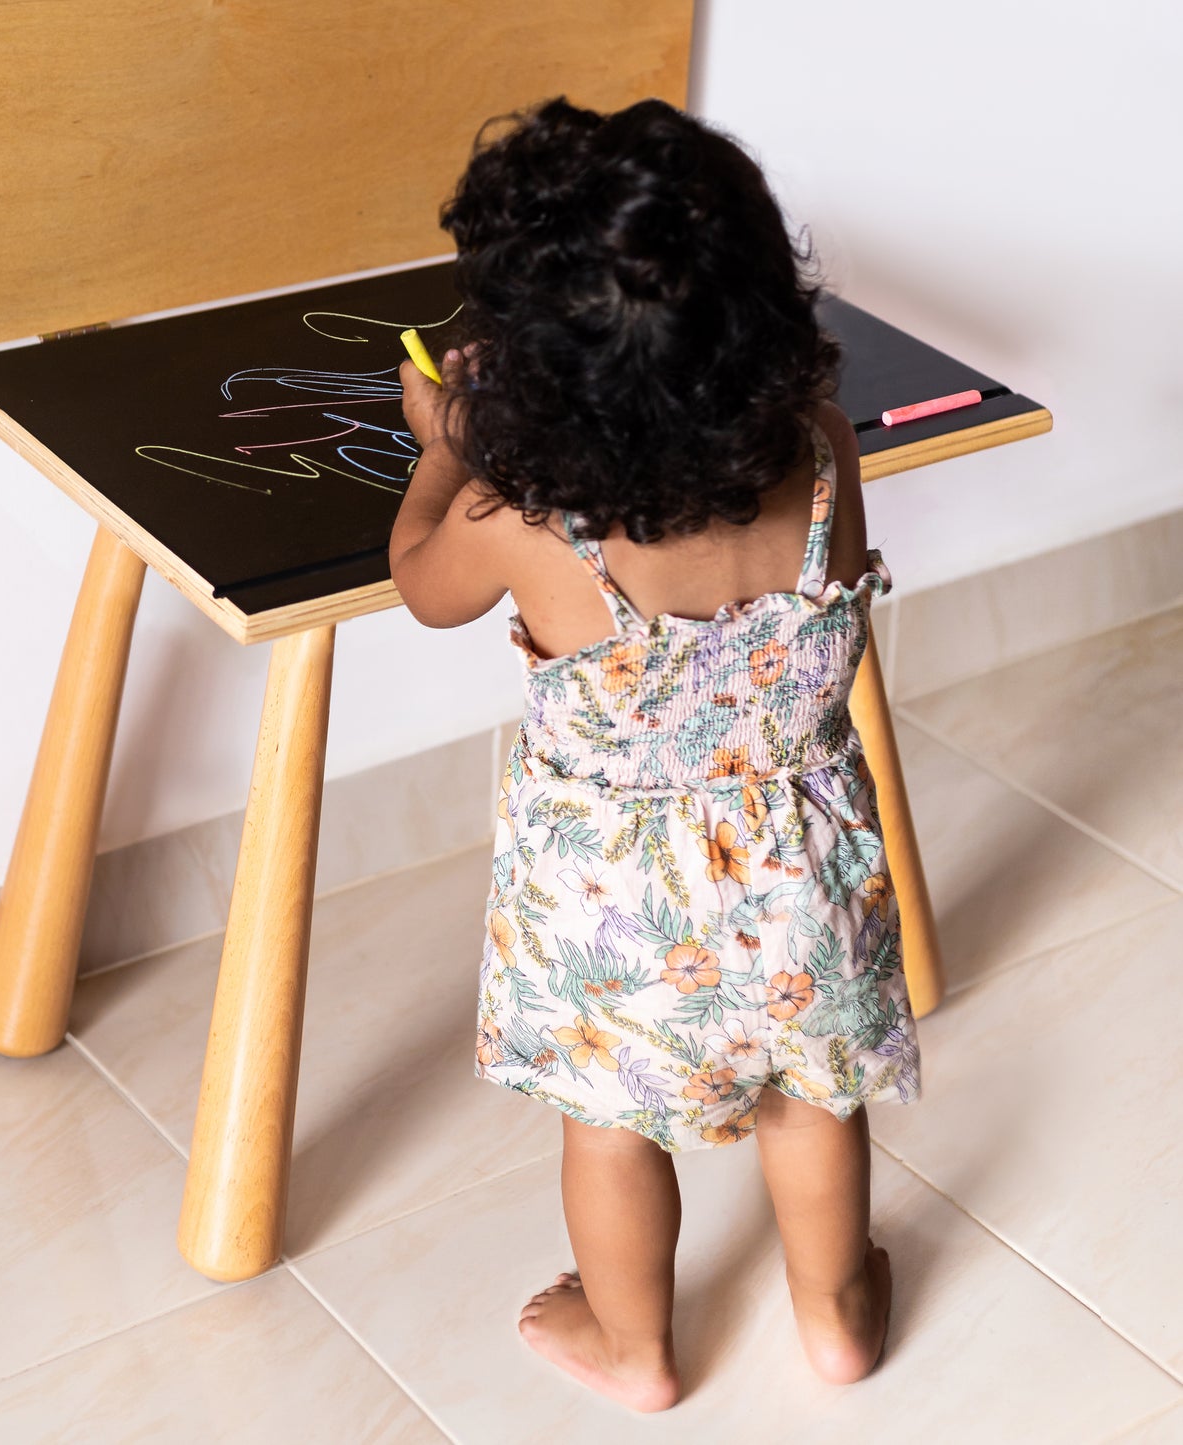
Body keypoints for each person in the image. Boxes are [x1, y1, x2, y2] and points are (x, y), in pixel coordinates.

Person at [389, 96, 922, 1413]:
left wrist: (447, 447)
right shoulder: (821, 447)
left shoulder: (524, 524)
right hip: (801, 855)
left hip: (614, 902)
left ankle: (632, 1344)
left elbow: (419, 582)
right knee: (812, 1093)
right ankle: (836, 1312)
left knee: (610, 1119)